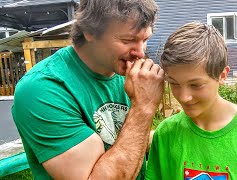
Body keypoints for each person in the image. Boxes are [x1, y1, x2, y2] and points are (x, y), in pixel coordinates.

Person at [12, 0, 164, 179]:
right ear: (90, 32)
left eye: (145, 39)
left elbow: (126, 137)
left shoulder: (129, 74)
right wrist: (143, 107)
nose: (140, 52)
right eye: (128, 40)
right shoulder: (41, 89)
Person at [146, 22, 237, 180]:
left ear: (222, 75)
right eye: (174, 83)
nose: (183, 97)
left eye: (195, 85)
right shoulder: (165, 134)